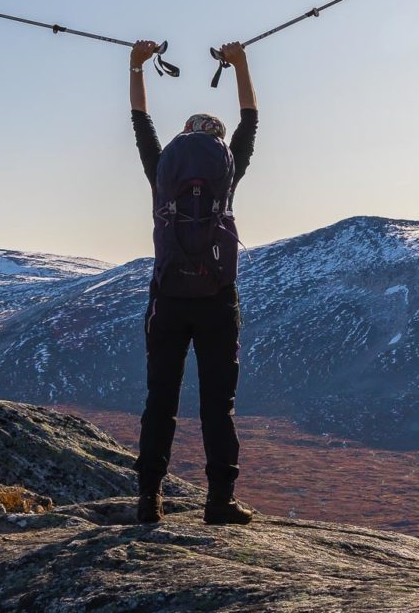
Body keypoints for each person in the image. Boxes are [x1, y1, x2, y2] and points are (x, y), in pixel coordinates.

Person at [128, 39, 258, 525]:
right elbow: (250, 120)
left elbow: (140, 122)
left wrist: (136, 67)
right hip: (217, 300)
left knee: (159, 400)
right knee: (216, 404)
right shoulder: (227, 172)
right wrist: (240, 63)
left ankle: (149, 500)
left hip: (168, 300)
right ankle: (219, 500)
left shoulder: (161, 171)